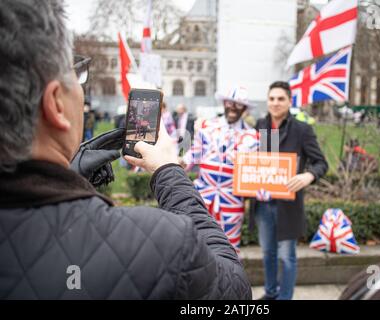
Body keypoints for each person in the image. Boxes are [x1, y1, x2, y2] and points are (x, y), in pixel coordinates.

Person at [0, 0, 251, 300]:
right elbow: (234, 293)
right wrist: (170, 172)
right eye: (77, 75)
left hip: (231, 204)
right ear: (55, 103)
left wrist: (67, 178)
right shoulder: (165, 243)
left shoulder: (251, 134)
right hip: (205, 209)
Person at [250, 81, 328, 300]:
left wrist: (308, 175)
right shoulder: (258, 127)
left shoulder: (302, 130)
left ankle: (285, 297)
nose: (275, 103)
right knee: (267, 253)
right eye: (272, 98)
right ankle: (270, 292)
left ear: (289, 101)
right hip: (262, 203)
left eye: (280, 99)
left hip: (288, 203)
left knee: (287, 255)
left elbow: (321, 162)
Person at [182, 86, 259, 253]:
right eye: (229, 103)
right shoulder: (207, 127)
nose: (232, 108)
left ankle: (227, 279)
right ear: (224, 103)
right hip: (202, 198)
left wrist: (264, 187)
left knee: (229, 250)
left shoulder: (253, 136)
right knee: (196, 245)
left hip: (232, 202)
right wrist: (177, 163)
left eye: (238, 105)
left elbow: (256, 172)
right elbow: (193, 154)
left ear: (244, 109)